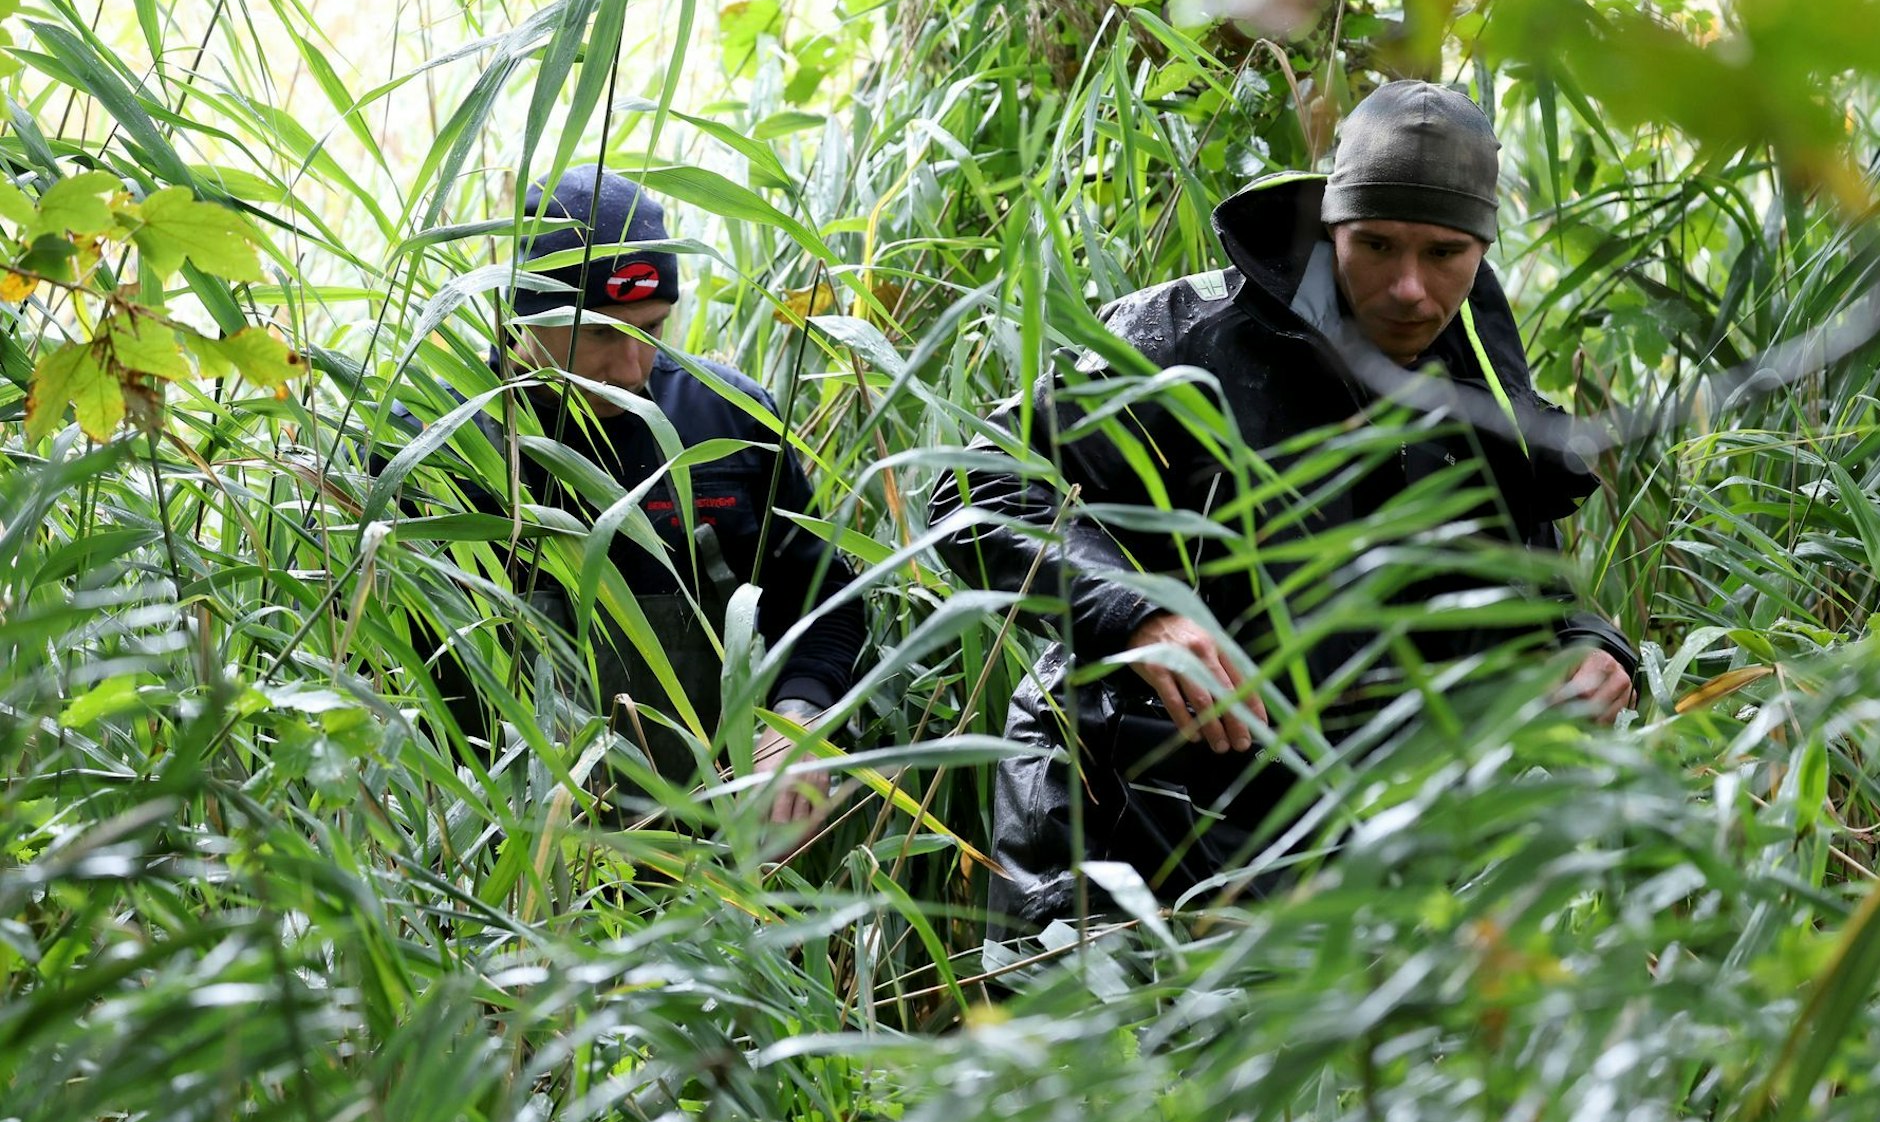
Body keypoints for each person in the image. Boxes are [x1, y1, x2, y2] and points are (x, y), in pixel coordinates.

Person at [931, 81, 1639, 936]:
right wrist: (1139, 615)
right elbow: (975, 488)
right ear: (1331, 222)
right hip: (1113, 830)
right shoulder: (1187, 336)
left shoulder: (1478, 370)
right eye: (1376, 244)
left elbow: (1521, 571)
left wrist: (1587, 647)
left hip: (1337, 862)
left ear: (1480, 249)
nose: (1411, 288)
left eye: (1445, 253)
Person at [396, 165, 865, 828]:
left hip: (710, 856)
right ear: (527, 310)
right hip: (498, 877)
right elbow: (383, 676)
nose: (630, 369)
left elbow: (824, 605)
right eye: (601, 333)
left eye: (652, 328)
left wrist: (800, 721)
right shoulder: (433, 448)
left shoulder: (730, 422)